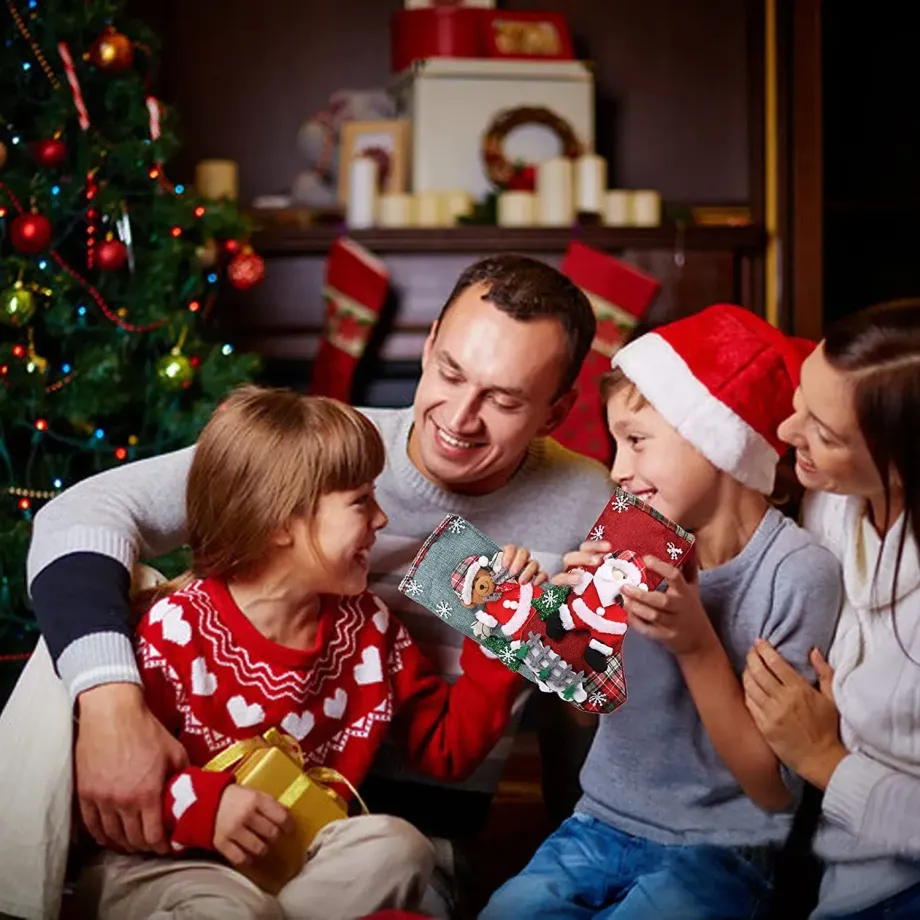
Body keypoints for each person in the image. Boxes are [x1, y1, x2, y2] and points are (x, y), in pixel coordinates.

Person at [13, 254, 611, 914]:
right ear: (431, 340)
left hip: (390, 842)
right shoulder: (322, 454)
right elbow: (77, 516)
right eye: (450, 372)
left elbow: (593, 710)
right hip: (194, 846)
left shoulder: (588, 504)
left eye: (503, 399)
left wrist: (538, 646)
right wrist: (109, 704)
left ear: (557, 412)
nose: (461, 418)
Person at [75, 385, 531, 920]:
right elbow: (121, 789)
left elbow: (446, 749)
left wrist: (502, 633)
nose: (382, 519)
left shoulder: (368, 630)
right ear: (279, 524)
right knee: (233, 909)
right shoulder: (175, 628)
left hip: (294, 864)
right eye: (361, 501)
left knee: (401, 847)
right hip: (165, 863)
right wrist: (210, 807)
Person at [481, 303, 844, 920]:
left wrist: (696, 646)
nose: (619, 471)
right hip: (597, 825)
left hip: (723, 849)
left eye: (637, 442)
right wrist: (566, 627)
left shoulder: (797, 573)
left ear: (717, 440)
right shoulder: (635, 536)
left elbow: (771, 788)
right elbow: (583, 715)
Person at [742, 299, 920, 920]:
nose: (789, 434)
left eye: (823, 432)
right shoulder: (834, 504)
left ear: (903, 465)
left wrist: (824, 758)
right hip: (835, 857)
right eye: (799, 403)